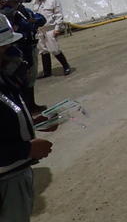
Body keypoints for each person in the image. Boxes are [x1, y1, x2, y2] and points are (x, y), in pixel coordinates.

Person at [0, 14, 53, 222]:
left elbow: (8, 114)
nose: (8, 53)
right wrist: (27, 149)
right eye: (3, 48)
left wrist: (33, 122)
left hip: (14, 174)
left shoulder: (4, 78)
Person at [0, 0, 46, 114]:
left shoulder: (21, 13)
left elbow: (40, 19)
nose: (13, 5)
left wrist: (33, 22)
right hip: (12, 54)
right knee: (14, 84)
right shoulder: (3, 20)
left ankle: (30, 107)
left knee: (28, 80)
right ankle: (23, 111)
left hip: (26, 50)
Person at [31, 0, 71, 77]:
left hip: (50, 28)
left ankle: (66, 66)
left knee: (54, 49)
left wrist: (57, 28)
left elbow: (58, 15)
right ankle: (47, 72)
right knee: (43, 51)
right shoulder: (35, 1)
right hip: (40, 30)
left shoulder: (53, 0)